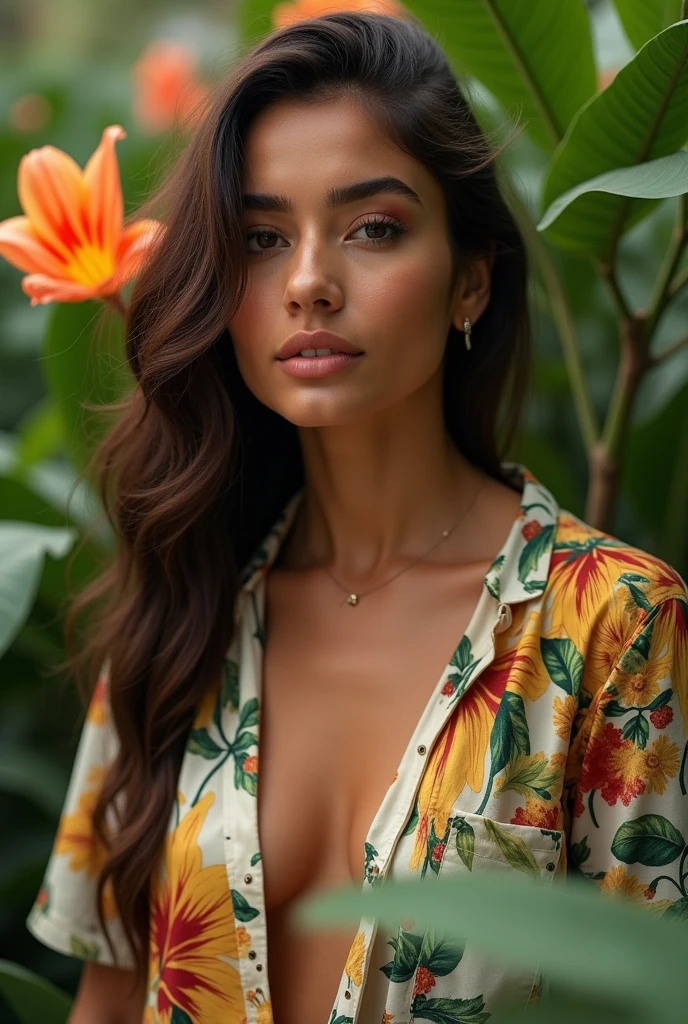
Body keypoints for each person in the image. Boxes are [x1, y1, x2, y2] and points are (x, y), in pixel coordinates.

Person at [26, 11, 688, 1024]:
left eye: (372, 227)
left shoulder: (615, 622)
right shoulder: (177, 612)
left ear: (470, 277)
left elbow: (648, 995)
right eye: (259, 238)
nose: (306, 283)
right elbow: (105, 1002)